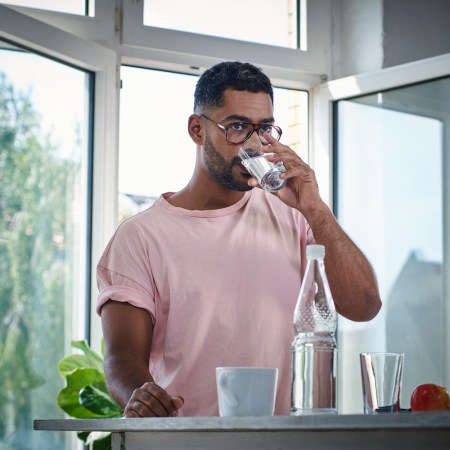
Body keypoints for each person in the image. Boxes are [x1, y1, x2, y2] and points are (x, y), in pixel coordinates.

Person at [97, 61, 382, 418]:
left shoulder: (296, 216)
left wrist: (316, 208)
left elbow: (365, 305)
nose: (253, 143)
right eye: (237, 127)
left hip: (286, 444)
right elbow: (121, 357)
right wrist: (143, 398)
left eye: (264, 129)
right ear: (197, 129)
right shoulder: (141, 236)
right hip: (192, 443)